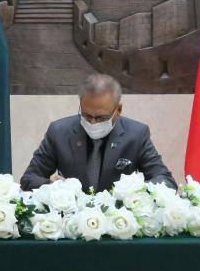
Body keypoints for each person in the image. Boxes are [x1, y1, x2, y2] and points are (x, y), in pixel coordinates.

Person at [21, 74, 176, 193]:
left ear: (118, 110)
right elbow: (29, 179)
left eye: (101, 117)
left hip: (117, 219)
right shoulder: (58, 132)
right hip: (70, 218)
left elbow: (166, 181)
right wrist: (55, 187)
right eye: (87, 115)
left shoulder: (136, 134)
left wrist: (134, 191)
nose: (93, 122)